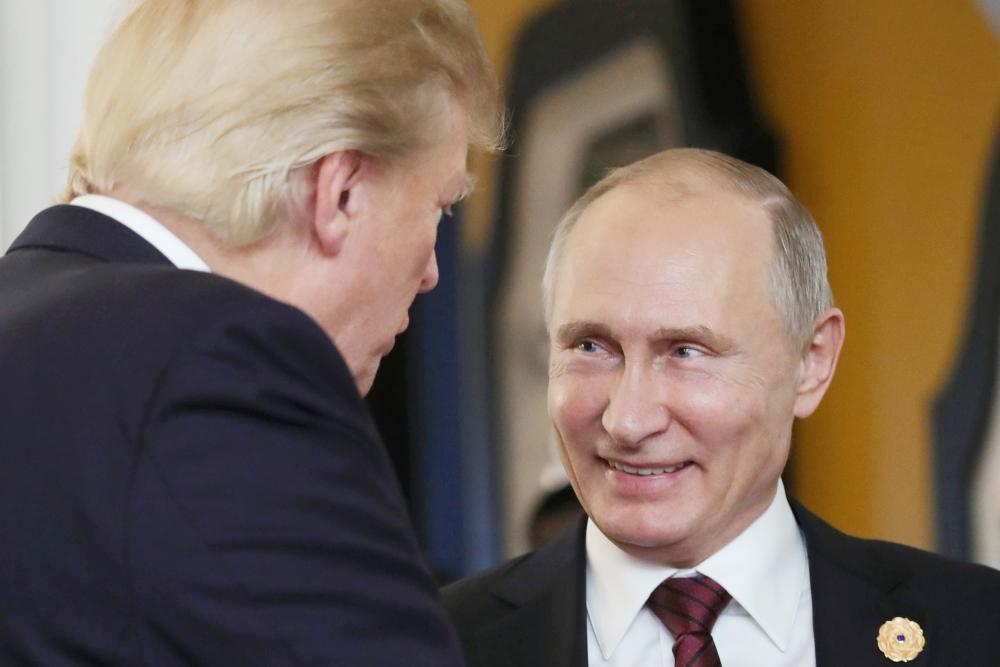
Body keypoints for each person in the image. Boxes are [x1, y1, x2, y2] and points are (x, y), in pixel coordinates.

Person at [0, 1, 503, 665]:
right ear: (341, 191)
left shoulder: (38, 328)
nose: (434, 271)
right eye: (438, 208)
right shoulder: (218, 362)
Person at [442, 148, 1000, 666]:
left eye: (686, 351)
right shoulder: (431, 643)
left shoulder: (977, 629)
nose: (627, 420)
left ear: (812, 360)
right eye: (591, 347)